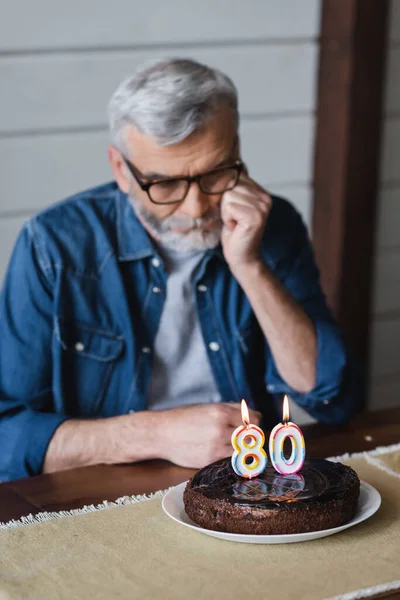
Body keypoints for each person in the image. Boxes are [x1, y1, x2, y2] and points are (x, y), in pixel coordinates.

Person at [0, 59, 360, 481]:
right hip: (102, 493)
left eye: (216, 173)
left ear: (237, 150)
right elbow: (8, 437)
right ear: (121, 169)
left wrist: (248, 264)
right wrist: (154, 434)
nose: (197, 209)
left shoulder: (271, 224)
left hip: (241, 485)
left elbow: (331, 398)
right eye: (166, 185)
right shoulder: (55, 244)